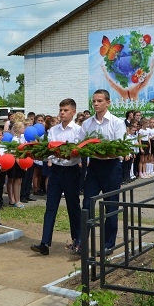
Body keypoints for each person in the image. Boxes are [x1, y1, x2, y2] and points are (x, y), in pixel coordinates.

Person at [31, 98, 83, 256]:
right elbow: (49, 151)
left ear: (73, 112)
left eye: (66, 110)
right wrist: (46, 157)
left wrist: (64, 154)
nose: (62, 113)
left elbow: (77, 152)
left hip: (71, 171)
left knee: (73, 208)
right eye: (61, 110)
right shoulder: (54, 130)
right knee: (50, 207)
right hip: (55, 172)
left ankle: (78, 242)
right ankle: (44, 243)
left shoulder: (78, 131)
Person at [81, 89, 126, 254]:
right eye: (94, 101)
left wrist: (102, 151)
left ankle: (108, 244)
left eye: (99, 101)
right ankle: (82, 242)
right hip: (93, 166)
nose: (96, 104)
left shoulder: (117, 122)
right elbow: (81, 144)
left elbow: (120, 149)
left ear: (108, 102)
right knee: (87, 204)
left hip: (111, 167)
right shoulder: (87, 123)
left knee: (111, 206)